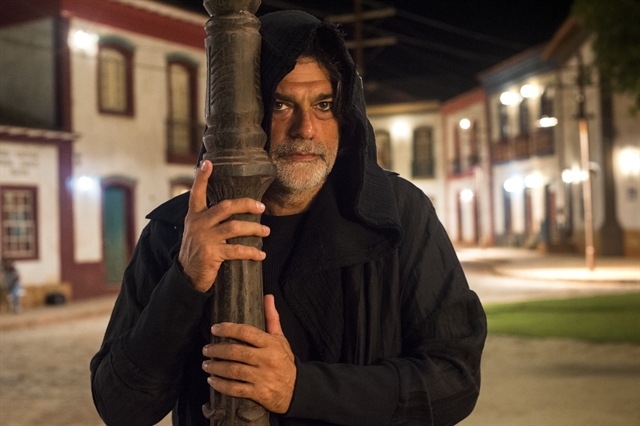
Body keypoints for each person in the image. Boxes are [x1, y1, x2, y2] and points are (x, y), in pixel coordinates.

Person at [91, 10, 486, 426]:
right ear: (248, 114)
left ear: (346, 115)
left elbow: (455, 380)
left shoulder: (400, 216)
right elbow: (119, 407)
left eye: (324, 105)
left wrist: (300, 388)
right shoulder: (178, 233)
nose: (306, 129)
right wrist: (185, 280)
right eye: (280, 104)